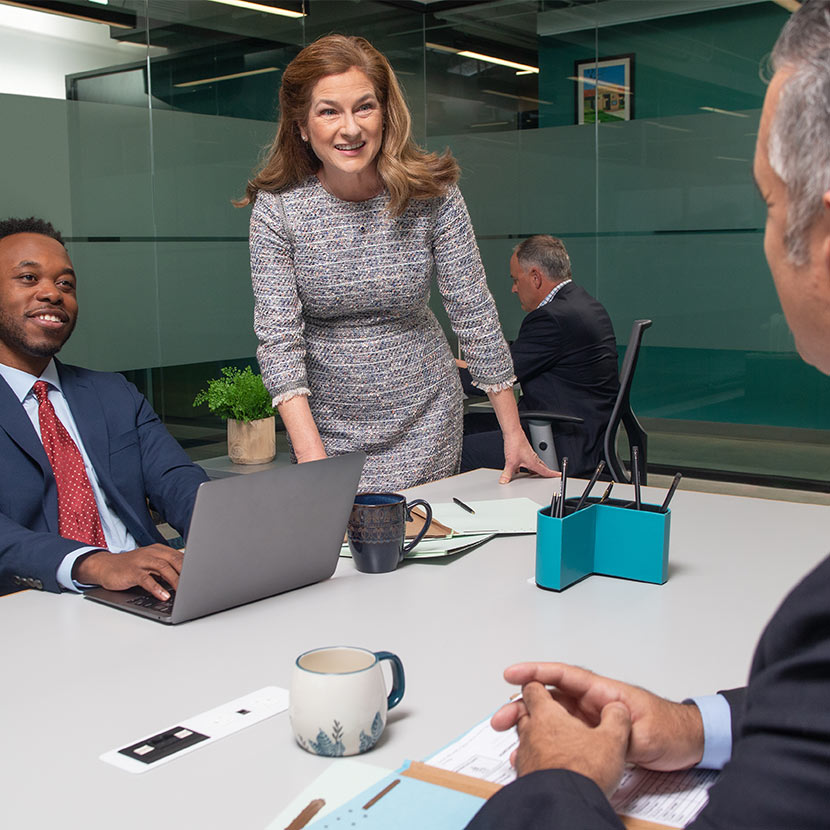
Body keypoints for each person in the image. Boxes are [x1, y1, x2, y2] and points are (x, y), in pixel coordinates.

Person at [466, 2, 830, 827]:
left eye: (769, 205)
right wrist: (694, 724)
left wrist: (557, 781)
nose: (766, 241)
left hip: (568, 433)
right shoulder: (585, 304)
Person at [239, 34, 554, 491]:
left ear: (386, 114)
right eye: (329, 111)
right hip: (327, 430)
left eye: (364, 107)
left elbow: (474, 311)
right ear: (301, 126)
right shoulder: (277, 209)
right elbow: (279, 342)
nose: (350, 129)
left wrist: (512, 430)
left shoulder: (434, 195)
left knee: (432, 546)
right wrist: (312, 458)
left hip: (428, 415)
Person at [0, 217, 209, 599]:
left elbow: (179, 481)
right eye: (29, 278)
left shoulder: (113, 393)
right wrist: (93, 563)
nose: (52, 293)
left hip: (151, 593)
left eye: (66, 284)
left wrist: (227, 536)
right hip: (39, 605)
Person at [459, 235, 618, 478]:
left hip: (561, 441)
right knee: (466, 425)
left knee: (451, 449)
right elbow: (516, 362)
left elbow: (492, 381)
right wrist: (468, 365)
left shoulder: (550, 318)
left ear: (535, 277)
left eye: (515, 279)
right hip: (586, 434)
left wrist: (442, 372)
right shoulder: (585, 305)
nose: (513, 288)